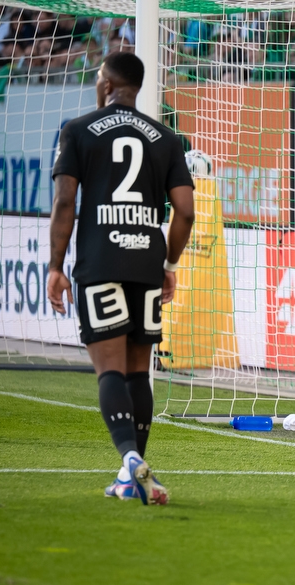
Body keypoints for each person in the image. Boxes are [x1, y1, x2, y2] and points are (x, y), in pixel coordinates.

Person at [47, 51, 196, 506]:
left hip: (100, 262)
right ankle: (130, 477)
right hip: (146, 264)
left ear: (106, 83)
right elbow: (186, 212)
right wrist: (169, 266)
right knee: (137, 372)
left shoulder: (77, 130)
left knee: (108, 368)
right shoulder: (167, 138)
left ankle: (129, 457)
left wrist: (55, 266)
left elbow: (65, 204)